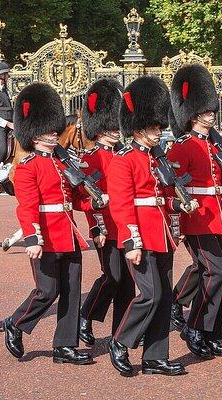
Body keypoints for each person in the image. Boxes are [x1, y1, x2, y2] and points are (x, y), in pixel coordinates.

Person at [3, 83, 105, 364]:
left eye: (54, 129)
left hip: (69, 233)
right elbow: (27, 206)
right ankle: (16, 322)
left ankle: (65, 347)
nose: (53, 134)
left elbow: (73, 199)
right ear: (34, 134)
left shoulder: (62, 164)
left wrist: (96, 202)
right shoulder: (27, 167)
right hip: (46, 234)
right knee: (47, 291)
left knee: (72, 292)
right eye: (48, 130)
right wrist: (33, 238)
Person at [107, 75, 197, 376]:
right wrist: (131, 242)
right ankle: (120, 341)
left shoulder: (157, 158)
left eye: (160, 126)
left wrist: (178, 207)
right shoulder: (123, 160)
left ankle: (155, 357)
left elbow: (161, 199)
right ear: (138, 128)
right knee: (150, 295)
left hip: (161, 233)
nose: (159, 132)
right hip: (140, 236)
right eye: (154, 127)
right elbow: (122, 204)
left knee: (164, 296)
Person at [168, 64, 222, 359]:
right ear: (193, 113)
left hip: (215, 217)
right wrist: (178, 219)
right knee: (216, 272)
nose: (211, 113)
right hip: (195, 218)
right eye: (206, 109)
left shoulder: (215, 145)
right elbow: (173, 187)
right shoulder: (182, 147)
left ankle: (211, 334)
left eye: (212, 109)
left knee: (208, 272)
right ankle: (195, 327)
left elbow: (221, 186)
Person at [78, 78, 135, 345]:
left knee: (127, 281)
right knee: (111, 276)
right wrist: (95, 228)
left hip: (125, 225)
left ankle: (121, 331)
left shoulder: (124, 155)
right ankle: (84, 316)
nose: (116, 131)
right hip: (106, 227)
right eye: (111, 126)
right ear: (100, 128)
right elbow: (85, 199)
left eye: (117, 126)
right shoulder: (89, 160)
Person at [0, 61, 13, 164]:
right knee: (1, 150)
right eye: (7, 74)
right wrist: (7, 124)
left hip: (11, 124)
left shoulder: (5, 90)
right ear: (1, 75)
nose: (8, 77)